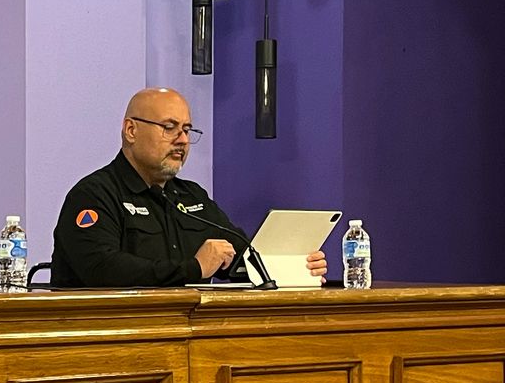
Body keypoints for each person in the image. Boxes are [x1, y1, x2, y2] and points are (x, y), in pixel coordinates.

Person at [52, 87, 327, 287]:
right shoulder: (94, 195)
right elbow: (102, 270)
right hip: (115, 334)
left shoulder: (191, 196)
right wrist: (193, 269)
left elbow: (239, 255)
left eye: (186, 129)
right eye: (169, 127)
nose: (182, 140)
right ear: (131, 131)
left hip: (189, 333)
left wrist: (291, 264)